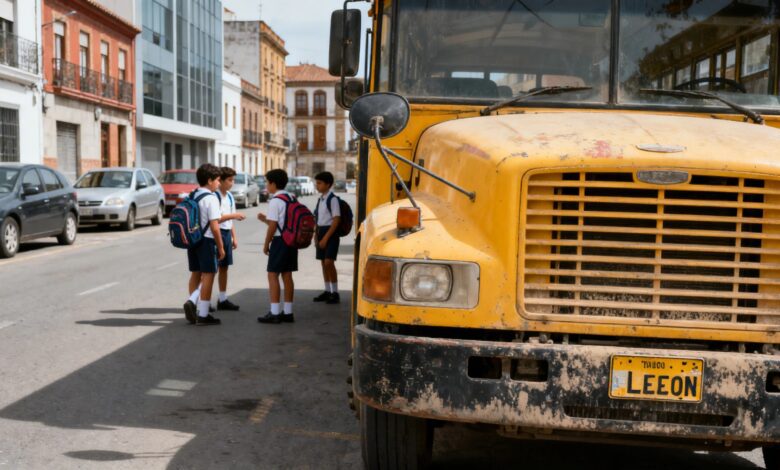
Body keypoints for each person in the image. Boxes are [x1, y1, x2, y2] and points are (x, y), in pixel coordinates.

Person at [182, 164, 225, 326]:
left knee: (195, 273)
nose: (219, 184)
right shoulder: (211, 198)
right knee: (209, 274)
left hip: (192, 239)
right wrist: (221, 247)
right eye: (218, 180)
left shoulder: (192, 195)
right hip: (206, 241)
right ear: (209, 180)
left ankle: (194, 303)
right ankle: (203, 313)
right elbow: (215, 226)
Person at [257, 169, 297, 324]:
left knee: (272, 274)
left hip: (280, 241)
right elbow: (283, 223)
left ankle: (274, 312)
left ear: (273, 183)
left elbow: (273, 226)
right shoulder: (291, 197)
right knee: (287, 275)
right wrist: (264, 219)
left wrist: (266, 244)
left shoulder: (275, 200)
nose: (267, 185)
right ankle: (288, 312)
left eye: (267, 182)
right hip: (291, 240)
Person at [216, 166, 246, 311]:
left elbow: (230, 219)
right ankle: (202, 301)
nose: (232, 183)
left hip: (226, 233)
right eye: (229, 180)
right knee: (210, 269)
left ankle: (222, 298)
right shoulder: (215, 196)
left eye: (233, 180)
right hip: (216, 233)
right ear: (220, 180)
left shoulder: (229, 196)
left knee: (224, 267)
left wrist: (234, 237)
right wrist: (234, 216)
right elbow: (216, 219)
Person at [313, 171, 341, 304]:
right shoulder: (321, 199)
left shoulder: (333, 199)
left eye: (319, 183)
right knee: (323, 263)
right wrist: (316, 235)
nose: (316, 185)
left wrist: (325, 238)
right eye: (316, 183)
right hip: (320, 232)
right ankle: (327, 290)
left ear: (328, 184)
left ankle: (335, 292)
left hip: (331, 233)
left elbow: (336, 220)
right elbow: (317, 219)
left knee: (329, 262)